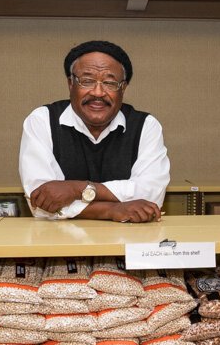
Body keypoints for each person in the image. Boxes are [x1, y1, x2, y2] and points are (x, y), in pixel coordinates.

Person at [19, 40, 170, 223]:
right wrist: (113, 210)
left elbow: (151, 196)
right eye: (87, 81)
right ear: (70, 83)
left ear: (123, 88)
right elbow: (44, 202)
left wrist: (77, 189)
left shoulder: (146, 125)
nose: (98, 92)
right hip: (59, 242)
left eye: (109, 82)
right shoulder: (42, 121)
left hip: (128, 241)